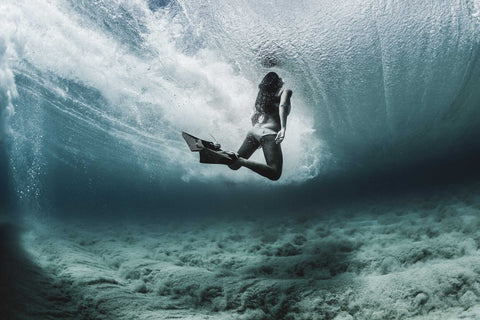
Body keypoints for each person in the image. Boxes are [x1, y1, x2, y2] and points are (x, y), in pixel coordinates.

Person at [227, 72, 292, 180]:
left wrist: (258, 138)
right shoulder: (285, 91)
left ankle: (221, 152)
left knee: (233, 165)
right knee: (275, 173)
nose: (282, 79)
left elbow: (253, 117)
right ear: (277, 82)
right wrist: (283, 128)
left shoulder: (263, 96)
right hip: (268, 133)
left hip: (255, 131)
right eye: (279, 78)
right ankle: (241, 160)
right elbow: (283, 105)